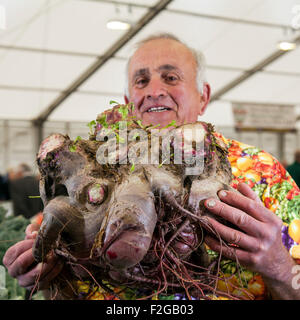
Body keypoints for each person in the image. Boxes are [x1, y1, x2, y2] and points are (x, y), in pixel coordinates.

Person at [3, 33, 300, 300]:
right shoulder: (91, 168)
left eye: (171, 78)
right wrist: (42, 269)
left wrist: (280, 267)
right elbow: (51, 255)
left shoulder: (262, 173)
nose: (154, 90)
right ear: (127, 101)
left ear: (204, 97)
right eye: (141, 81)